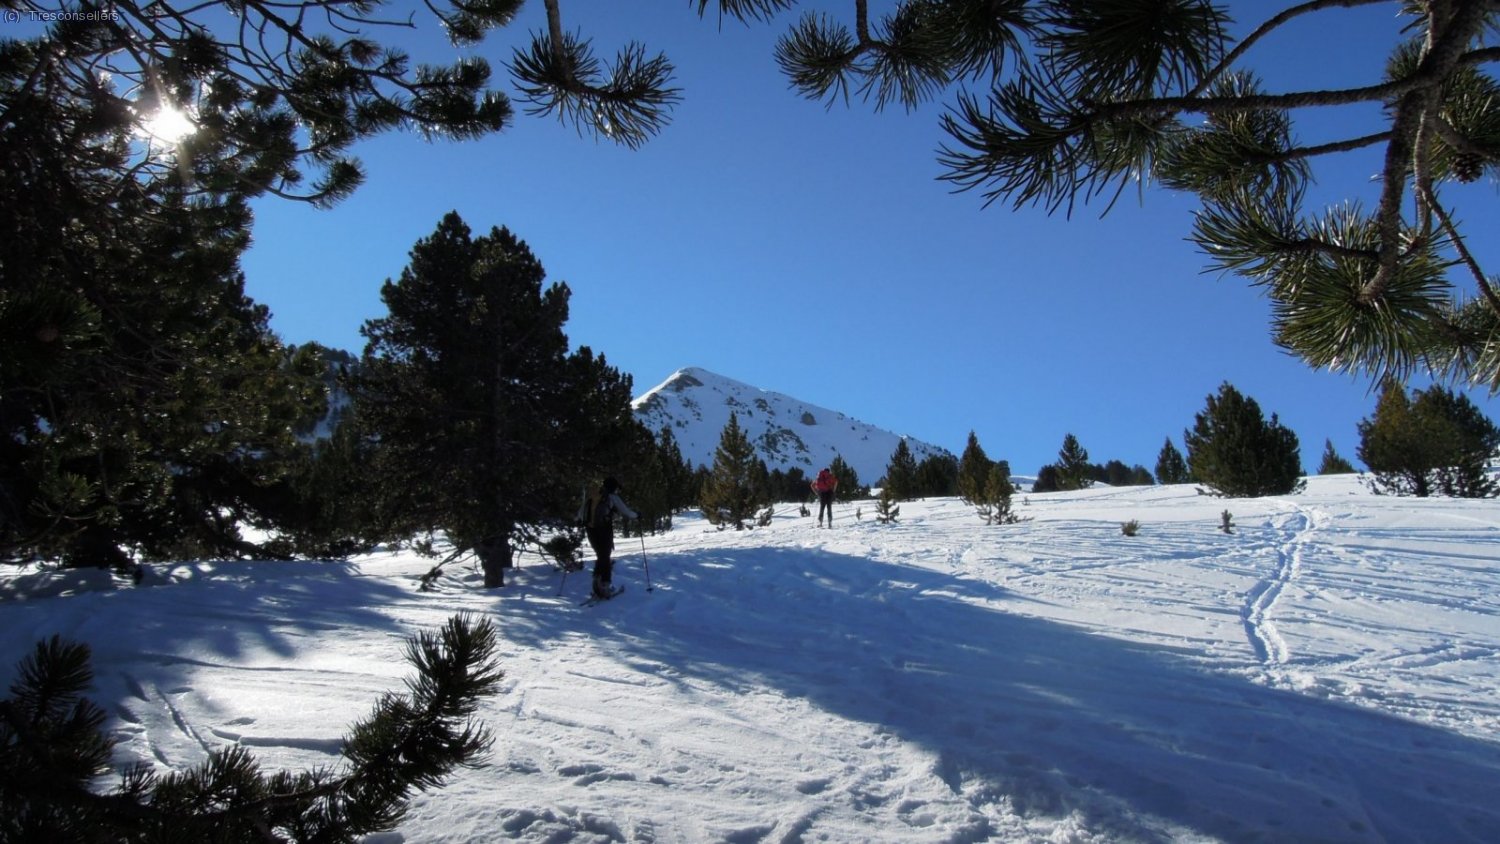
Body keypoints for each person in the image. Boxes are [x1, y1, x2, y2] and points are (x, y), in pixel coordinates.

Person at [577, 476, 637, 600]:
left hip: (590, 529)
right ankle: (604, 584)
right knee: (605, 555)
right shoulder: (612, 497)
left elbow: (580, 513)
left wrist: (578, 521)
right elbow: (626, 512)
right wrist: (637, 515)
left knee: (601, 555)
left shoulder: (592, 496)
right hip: (604, 528)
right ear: (613, 487)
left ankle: (598, 581)